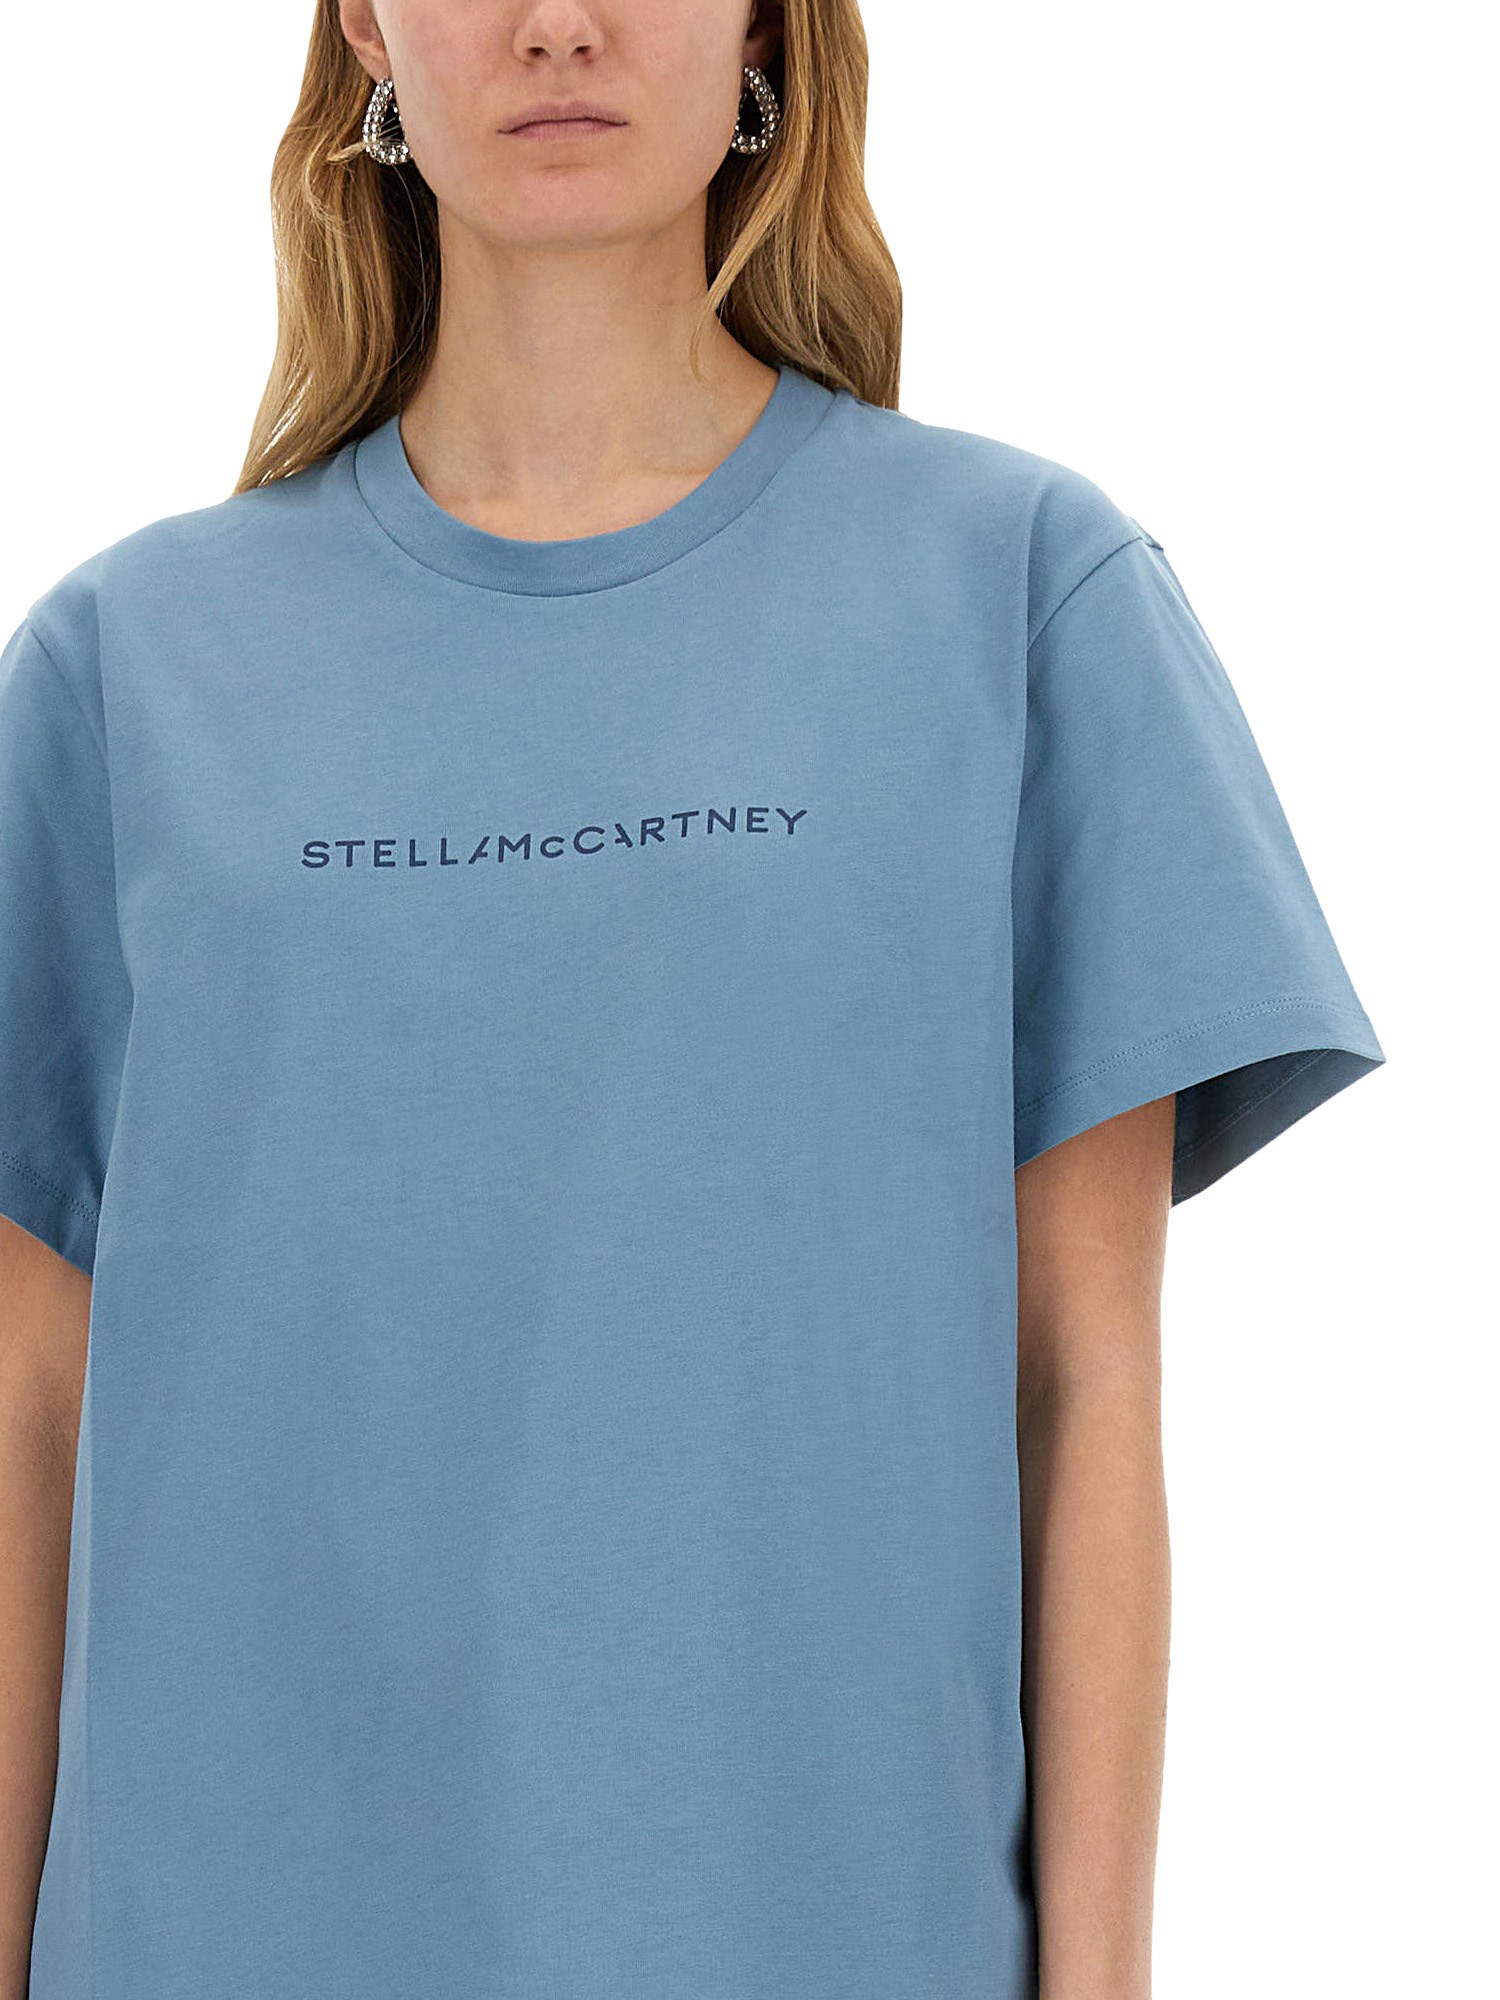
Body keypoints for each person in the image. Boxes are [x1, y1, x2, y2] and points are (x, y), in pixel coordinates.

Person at [0, 4, 1386, 1998]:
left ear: (764, 28)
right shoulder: (119, 669)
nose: (559, 23)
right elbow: (28, 1422)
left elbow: (1084, 1383)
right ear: (367, 29)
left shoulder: (1019, 592)